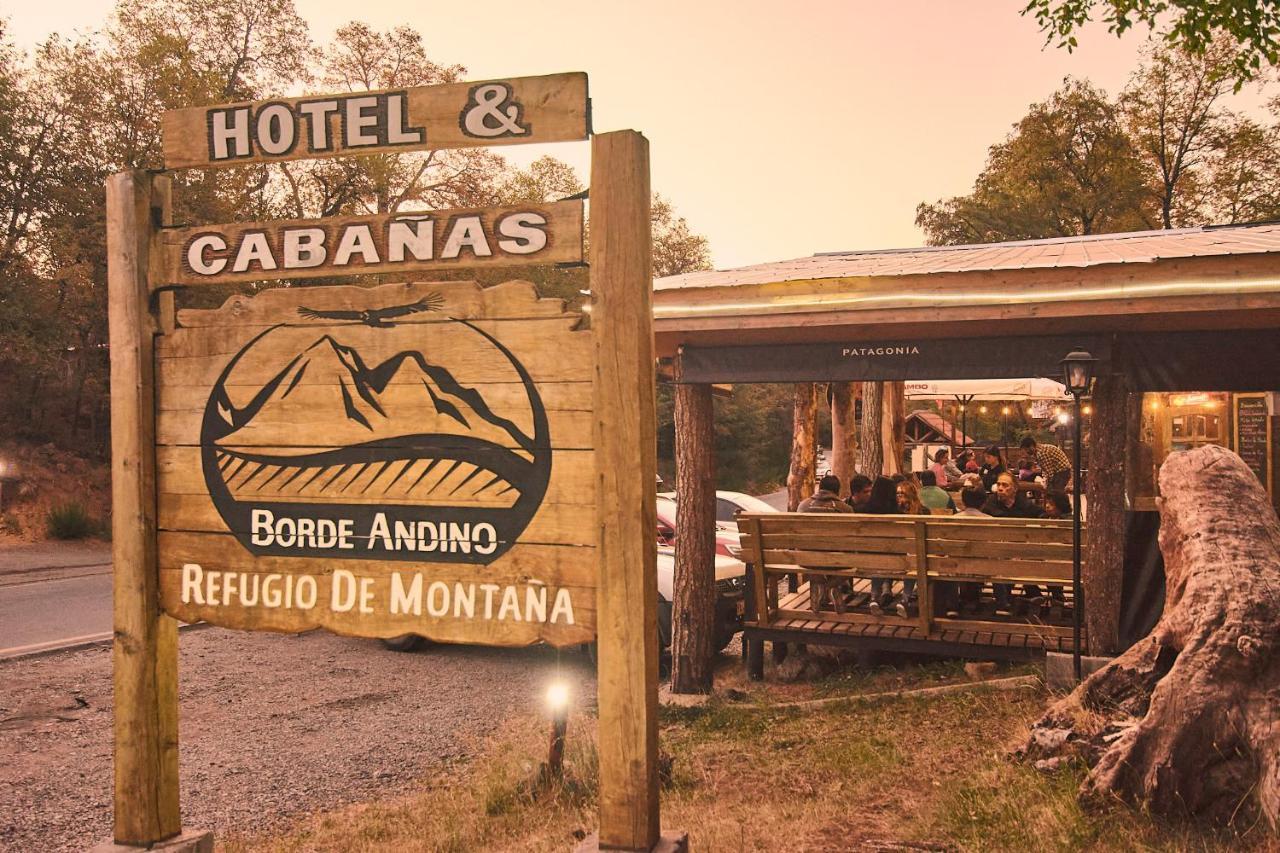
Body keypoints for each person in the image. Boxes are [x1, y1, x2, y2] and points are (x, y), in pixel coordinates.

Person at [982, 472, 1045, 616]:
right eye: (998, 484)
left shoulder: (1023, 503)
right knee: (999, 561)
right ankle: (1015, 598)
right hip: (998, 549)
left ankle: (1011, 599)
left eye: (1005, 485)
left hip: (1017, 549)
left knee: (1018, 558)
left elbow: (1041, 513)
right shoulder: (991, 502)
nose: (1000, 488)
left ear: (1015, 489)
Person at [861, 476, 899, 614]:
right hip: (897, 559)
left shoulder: (864, 510)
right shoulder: (897, 511)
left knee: (877, 557)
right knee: (889, 554)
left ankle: (874, 596)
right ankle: (886, 589)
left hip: (867, 557)